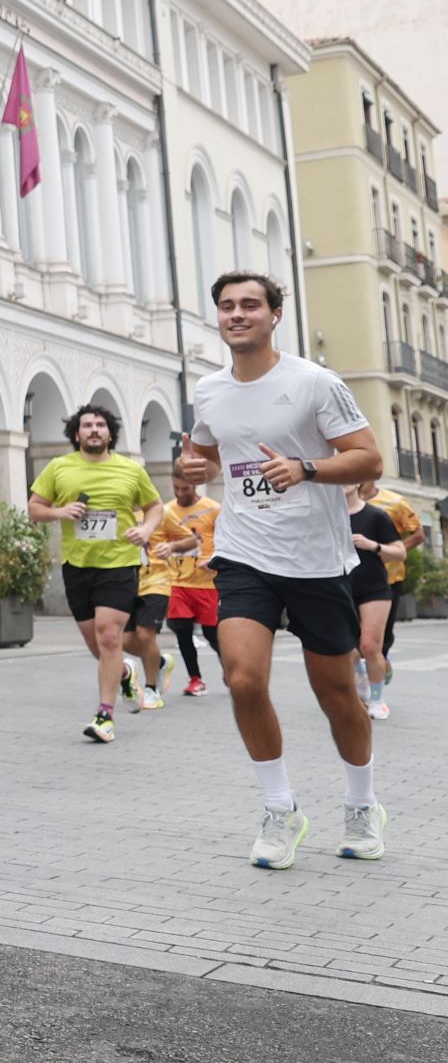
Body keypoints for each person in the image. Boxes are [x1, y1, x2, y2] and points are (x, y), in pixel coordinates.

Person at [176, 270, 386, 869]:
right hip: (244, 554)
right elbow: (209, 451)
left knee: (337, 693)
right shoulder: (211, 390)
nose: (236, 314)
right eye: (225, 306)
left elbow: (368, 456)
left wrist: (306, 469)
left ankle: (362, 804)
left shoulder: (315, 383)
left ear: (274, 315)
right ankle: (279, 808)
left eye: (249, 305)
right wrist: (190, 470)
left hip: (318, 561)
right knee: (242, 679)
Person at [27, 402, 165, 743]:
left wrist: (146, 531)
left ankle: (105, 715)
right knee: (98, 646)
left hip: (119, 563)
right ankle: (124, 670)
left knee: (108, 635)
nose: (93, 430)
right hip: (77, 566)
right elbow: (34, 508)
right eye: (87, 425)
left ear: (109, 433)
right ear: (77, 434)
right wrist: (60, 512)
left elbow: (155, 507)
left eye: (100, 425)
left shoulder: (130, 470)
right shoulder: (60, 468)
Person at [124, 505, 196, 713]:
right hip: (126, 582)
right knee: (123, 641)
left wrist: (172, 547)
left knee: (145, 635)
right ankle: (160, 662)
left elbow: (191, 539)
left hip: (157, 581)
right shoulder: (117, 509)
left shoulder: (160, 511)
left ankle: (151, 689)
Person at [346, 483, 404, 721]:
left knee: (370, 646)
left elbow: (400, 552)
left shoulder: (375, 515)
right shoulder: (327, 517)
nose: (341, 483)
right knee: (346, 649)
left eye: (347, 478)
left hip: (374, 588)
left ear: (358, 482)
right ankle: (360, 679)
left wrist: (374, 546)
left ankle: (378, 700)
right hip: (338, 588)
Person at [361, 480, 423, 687]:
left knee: (381, 635)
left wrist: (388, 551)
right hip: (354, 577)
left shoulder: (395, 502)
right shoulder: (343, 500)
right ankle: (363, 679)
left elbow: (418, 534)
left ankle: (380, 665)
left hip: (389, 578)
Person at [164, 477, 222, 696]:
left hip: (206, 582)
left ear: (195, 485)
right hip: (178, 581)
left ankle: (229, 667)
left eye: (185, 488)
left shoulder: (213, 509)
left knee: (211, 633)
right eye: (176, 488)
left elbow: (227, 538)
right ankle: (195, 679)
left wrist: (216, 559)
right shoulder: (167, 510)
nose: (180, 493)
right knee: (182, 629)